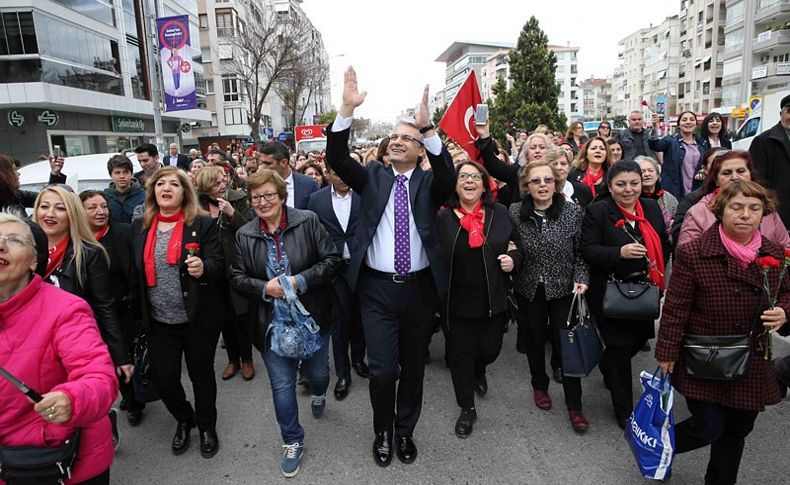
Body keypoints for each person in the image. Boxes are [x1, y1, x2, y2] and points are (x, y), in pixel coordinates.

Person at [325, 67, 455, 467]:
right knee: (383, 371)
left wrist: (428, 127)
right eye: (394, 137)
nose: (398, 142)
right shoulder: (374, 178)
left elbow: (448, 175)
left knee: (413, 368)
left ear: (420, 150)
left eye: (408, 138)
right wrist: (345, 108)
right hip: (376, 290)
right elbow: (336, 157)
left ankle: (404, 432)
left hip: (418, 290)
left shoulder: (430, 183)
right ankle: (382, 431)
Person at [656, 180, 790, 484]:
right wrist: (666, 354)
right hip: (705, 357)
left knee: (736, 430)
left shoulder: (774, 254)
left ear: (764, 213)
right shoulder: (694, 253)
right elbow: (676, 309)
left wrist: (783, 311)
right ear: (720, 210)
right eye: (737, 207)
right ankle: (657, 444)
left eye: (754, 208)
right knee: (708, 426)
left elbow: (786, 293)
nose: (745, 215)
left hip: (752, 358)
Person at [230, 170, 341, 478]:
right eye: (256, 197)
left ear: (282, 196)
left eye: (268, 195)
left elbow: (331, 261)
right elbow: (237, 277)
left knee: (318, 374)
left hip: (313, 317)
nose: (262, 202)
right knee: (282, 386)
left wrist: (300, 281)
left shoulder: (307, 221)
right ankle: (292, 439)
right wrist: (266, 288)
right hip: (271, 324)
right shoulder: (245, 234)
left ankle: (319, 392)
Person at [0, 212, 119, 484]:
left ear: (34, 260)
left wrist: (71, 398)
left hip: (56, 461)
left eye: (14, 240)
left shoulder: (65, 310)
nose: (1, 245)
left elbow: (99, 377)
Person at [131, 166, 224, 459]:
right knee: (164, 378)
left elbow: (219, 265)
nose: (166, 188)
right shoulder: (140, 226)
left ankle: (207, 426)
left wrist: (204, 267)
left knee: (202, 376)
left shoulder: (202, 223)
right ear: (153, 191)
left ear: (185, 192)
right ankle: (185, 419)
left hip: (197, 318)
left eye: (174, 184)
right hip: (159, 321)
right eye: (160, 184)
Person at [33, 185, 132, 445]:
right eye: (44, 206)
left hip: (75, 346)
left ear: (73, 214)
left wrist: (120, 355)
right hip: (34, 344)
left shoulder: (89, 254)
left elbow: (104, 306)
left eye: (60, 207)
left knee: (76, 404)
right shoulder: (21, 252)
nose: (50, 213)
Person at [580, 161, 669, 428]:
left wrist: (659, 271)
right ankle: (625, 412)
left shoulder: (651, 208)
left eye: (634, 183)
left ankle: (606, 363)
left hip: (644, 291)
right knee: (619, 351)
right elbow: (588, 250)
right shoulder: (598, 211)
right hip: (610, 291)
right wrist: (619, 253)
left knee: (638, 339)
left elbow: (664, 242)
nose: (628, 190)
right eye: (621, 184)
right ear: (610, 186)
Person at [437, 161, 521, 438]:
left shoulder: (501, 214)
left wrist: (514, 259)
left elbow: (519, 246)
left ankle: (480, 369)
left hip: (493, 301)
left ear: (485, 184)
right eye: (463, 177)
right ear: (456, 184)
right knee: (460, 358)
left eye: (476, 177)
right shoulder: (443, 218)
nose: (469, 181)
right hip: (457, 304)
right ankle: (467, 409)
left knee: (489, 351)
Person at [509, 160, 590, 432]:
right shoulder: (515, 212)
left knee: (566, 344)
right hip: (529, 288)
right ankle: (539, 386)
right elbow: (511, 248)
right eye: (536, 181)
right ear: (526, 186)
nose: (542, 185)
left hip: (563, 289)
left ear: (556, 183)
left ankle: (574, 405)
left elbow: (582, 253)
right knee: (533, 339)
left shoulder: (572, 212)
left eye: (547, 180)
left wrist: (581, 278)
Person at [80, 189, 144, 426]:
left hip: (125, 308)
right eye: (93, 207)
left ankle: (135, 399)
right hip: (93, 314)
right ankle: (129, 396)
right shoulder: (79, 240)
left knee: (126, 354)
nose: (100, 212)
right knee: (108, 358)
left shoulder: (124, 232)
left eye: (103, 206)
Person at [307, 168, 369, 401]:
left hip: (362, 267)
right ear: (328, 174)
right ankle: (343, 374)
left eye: (345, 172)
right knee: (339, 324)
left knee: (360, 318)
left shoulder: (365, 194)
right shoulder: (316, 199)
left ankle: (359, 360)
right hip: (333, 271)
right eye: (337, 173)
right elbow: (311, 233)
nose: (343, 177)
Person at [194, 165, 255, 381]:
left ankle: (247, 359)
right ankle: (232, 360)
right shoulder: (195, 205)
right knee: (222, 317)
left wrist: (232, 214)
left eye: (223, 181)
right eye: (216, 183)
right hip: (211, 269)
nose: (222, 186)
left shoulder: (236, 199)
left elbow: (250, 230)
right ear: (205, 187)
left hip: (234, 266)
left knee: (240, 315)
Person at [676, 150, 789, 248]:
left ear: (750, 175)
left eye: (741, 171)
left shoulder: (766, 207)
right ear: (716, 180)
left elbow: (785, 246)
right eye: (727, 173)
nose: (735, 177)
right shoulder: (698, 212)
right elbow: (686, 255)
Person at [749, 93, 790, 227]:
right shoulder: (763, 141)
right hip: (777, 213)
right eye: (789, 111)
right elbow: (757, 181)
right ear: (781, 113)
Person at [648, 111, 704, 199]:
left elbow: (706, 164)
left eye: (692, 119)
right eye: (684, 120)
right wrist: (655, 127)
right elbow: (655, 145)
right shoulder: (670, 141)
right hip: (674, 190)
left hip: (696, 189)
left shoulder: (702, 144)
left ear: (696, 124)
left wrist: (702, 171)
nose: (688, 122)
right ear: (679, 125)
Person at [257, 141, 319, 210]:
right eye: (262, 163)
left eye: (268, 164)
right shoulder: (259, 186)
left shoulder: (308, 184)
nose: (263, 167)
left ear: (283, 162)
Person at [636, 156, 678, 235]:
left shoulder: (668, 197)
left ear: (657, 175)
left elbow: (677, 216)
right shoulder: (633, 198)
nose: (647, 174)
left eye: (651, 170)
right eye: (642, 171)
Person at [104, 154, 146, 224]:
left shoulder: (144, 196)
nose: (122, 176)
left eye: (125, 172)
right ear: (110, 175)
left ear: (131, 174)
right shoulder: (105, 197)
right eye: (117, 173)